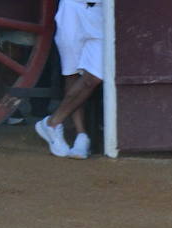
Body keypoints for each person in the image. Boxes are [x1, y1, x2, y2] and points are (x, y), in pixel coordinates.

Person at [34, 0, 103, 159]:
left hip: (102, 12)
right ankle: (81, 136)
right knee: (71, 73)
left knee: (94, 77)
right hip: (72, 8)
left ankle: (52, 122)